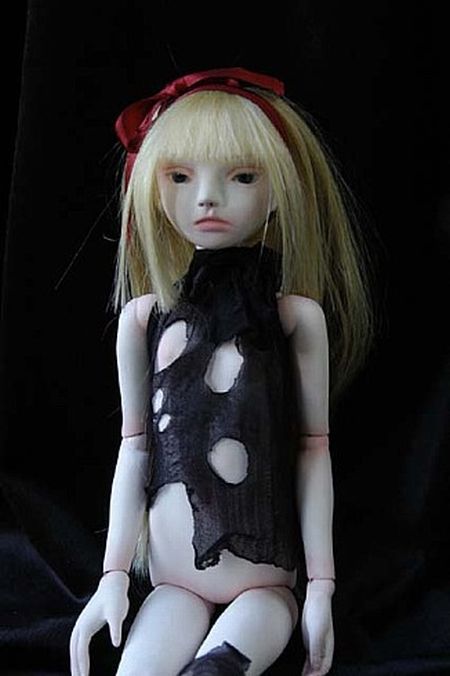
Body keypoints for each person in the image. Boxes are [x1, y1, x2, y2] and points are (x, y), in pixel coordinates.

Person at [69, 67, 375, 676]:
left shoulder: (293, 318)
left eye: (242, 176)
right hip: (172, 582)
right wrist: (112, 577)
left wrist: (321, 588)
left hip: (265, 582)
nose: (207, 197)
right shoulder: (143, 319)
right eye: (181, 177)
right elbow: (135, 448)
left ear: (279, 188)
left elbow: (313, 448)